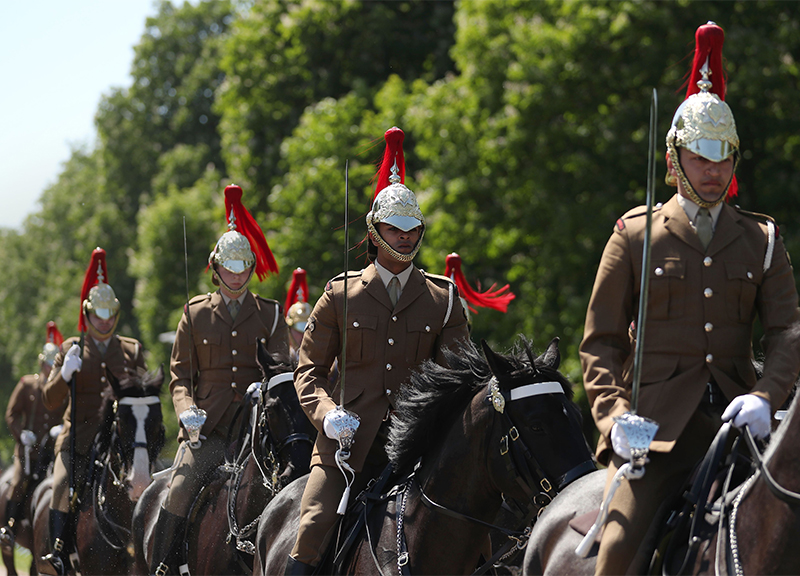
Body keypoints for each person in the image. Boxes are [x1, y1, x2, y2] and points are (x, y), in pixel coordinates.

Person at [580, 22, 800, 575]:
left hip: (741, 430)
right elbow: (601, 343)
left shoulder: (761, 238)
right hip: (653, 437)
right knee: (617, 557)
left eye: (723, 157)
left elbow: (787, 334)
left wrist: (768, 397)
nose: (713, 169)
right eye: (701, 157)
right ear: (676, 158)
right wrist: (615, 419)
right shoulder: (634, 235)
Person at [285, 127, 471, 575]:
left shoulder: (443, 299)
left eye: (413, 230)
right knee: (311, 529)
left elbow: (459, 379)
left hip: (417, 447)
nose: (406, 238)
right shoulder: (339, 295)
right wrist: (328, 413)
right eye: (395, 229)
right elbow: (308, 371)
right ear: (374, 232)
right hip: (348, 446)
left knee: (480, 536)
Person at [150, 184, 290, 576]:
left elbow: (281, 373)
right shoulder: (195, 314)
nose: (236, 274)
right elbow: (179, 376)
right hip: (208, 430)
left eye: (242, 266)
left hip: (257, 428)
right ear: (215, 268)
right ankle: (163, 565)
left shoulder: (270, 314)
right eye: (228, 267)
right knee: (179, 488)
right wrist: (186, 412)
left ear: (251, 268)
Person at [42, 248, 148, 574]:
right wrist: (62, 375)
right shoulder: (70, 349)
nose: (105, 321)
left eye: (110, 314)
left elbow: (142, 395)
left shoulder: (130, 350)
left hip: (120, 442)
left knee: (149, 481)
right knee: (60, 486)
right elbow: (49, 399)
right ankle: (58, 553)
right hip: (79, 440)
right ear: (87, 314)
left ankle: (149, 548)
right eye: (98, 314)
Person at [0, 322, 67, 551]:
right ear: (42, 364)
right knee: (19, 482)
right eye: (48, 365)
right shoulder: (27, 385)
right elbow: (11, 414)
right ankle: (8, 527)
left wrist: (61, 429)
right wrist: (21, 435)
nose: (50, 369)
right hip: (28, 452)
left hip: (52, 450)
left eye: (54, 365)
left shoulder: (62, 390)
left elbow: (69, 413)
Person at [285, 267, 312, 362]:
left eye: (306, 331)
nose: (302, 336)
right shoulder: (283, 357)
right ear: (289, 330)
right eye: (298, 331)